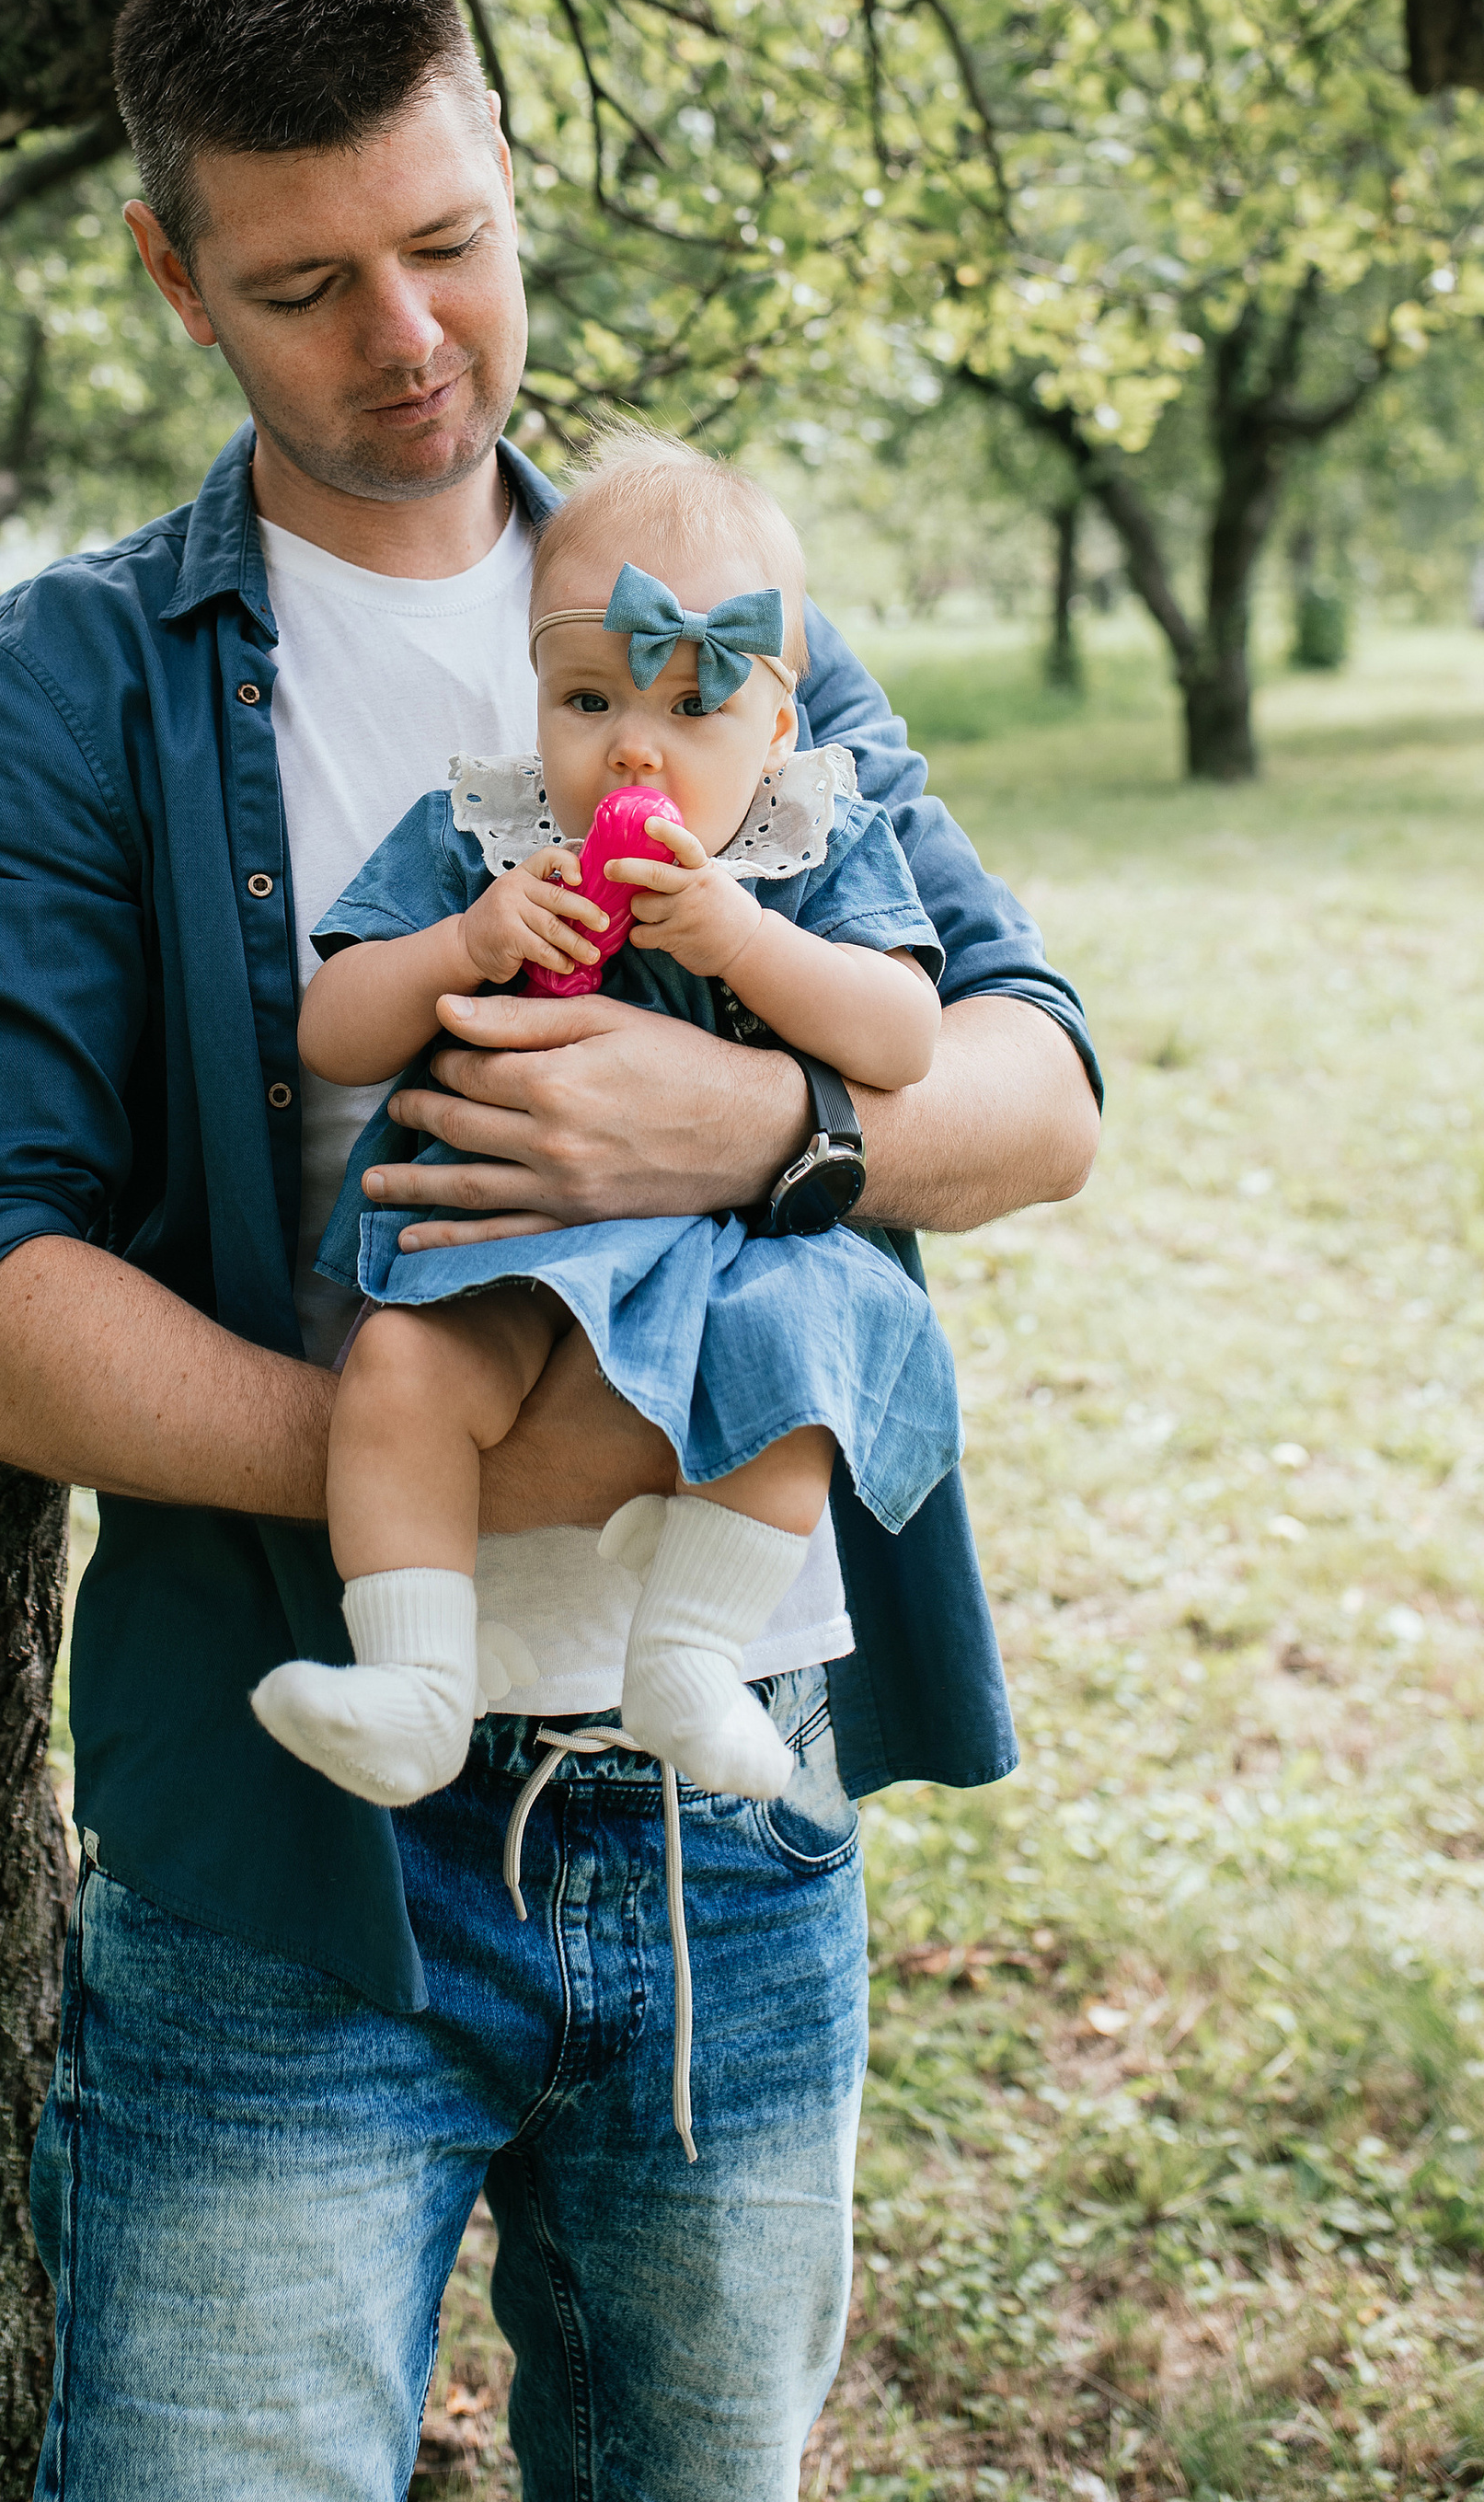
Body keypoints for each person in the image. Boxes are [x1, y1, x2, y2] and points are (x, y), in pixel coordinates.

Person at [0, 0, 1101, 2500]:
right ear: (171, 276)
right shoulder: (74, 682)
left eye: (450, 244)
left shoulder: (712, 609)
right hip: (294, 1859)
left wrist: (758, 1136)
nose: (403, 337)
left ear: (514, 175)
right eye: (304, 285)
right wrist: (471, 1469)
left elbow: (1033, 1082)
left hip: (733, 1822)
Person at [256, 429, 965, 1817]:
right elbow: (334, 1027)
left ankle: (691, 1656)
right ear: (533, 696)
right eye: (586, 697)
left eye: (690, 708)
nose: (630, 743)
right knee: (398, 1372)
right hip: (508, 1233)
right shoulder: (489, 836)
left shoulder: (807, 845)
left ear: (776, 730)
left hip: (736, 1260)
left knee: (810, 1364)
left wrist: (743, 943)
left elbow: (903, 1038)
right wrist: (465, 939)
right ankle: (414, 1683)